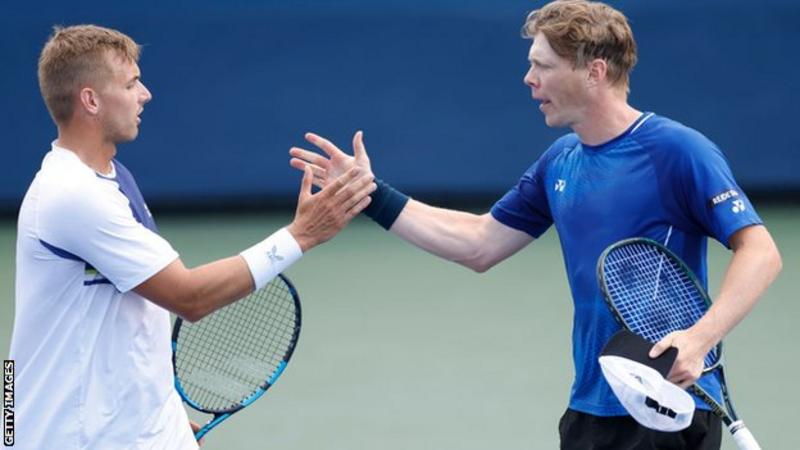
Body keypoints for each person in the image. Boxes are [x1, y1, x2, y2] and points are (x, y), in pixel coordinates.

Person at [287, 1, 782, 449]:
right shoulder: (560, 161)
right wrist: (370, 196)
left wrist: (698, 339)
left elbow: (761, 252)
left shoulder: (677, 151)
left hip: (666, 405)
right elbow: (478, 244)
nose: (528, 79)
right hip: (590, 408)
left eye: (542, 66)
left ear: (595, 72)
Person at [9, 24, 375, 449]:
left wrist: (164, 411)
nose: (145, 94)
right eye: (131, 84)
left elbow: (135, 310)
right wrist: (301, 236)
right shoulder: (72, 194)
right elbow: (189, 297)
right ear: (90, 100)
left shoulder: (113, 177)